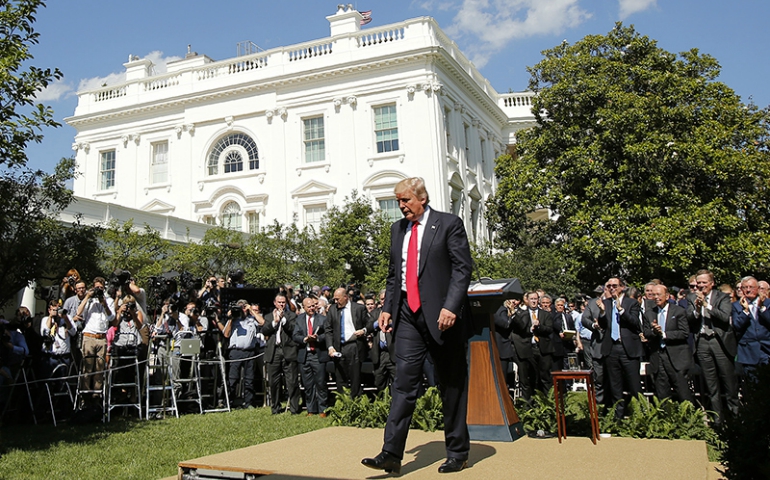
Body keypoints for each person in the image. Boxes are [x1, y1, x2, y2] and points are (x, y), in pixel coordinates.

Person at [362, 177, 473, 475]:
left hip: (442, 317)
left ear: (422, 198)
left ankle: (457, 452)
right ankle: (391, 453)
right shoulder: (397, 230)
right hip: (408, 316)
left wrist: (451, 306)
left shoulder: (449, 224)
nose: (401, 206)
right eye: (398, 201)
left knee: (451, 384)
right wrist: (387, 309)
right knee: (403, 383)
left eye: (406, 200)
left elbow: (463, 269)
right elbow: (393, 274)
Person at [686, 269, 738, 422]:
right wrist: (697, 308)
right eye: (698, 283)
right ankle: (717, 420)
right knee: (711, 384)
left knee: (728, 382)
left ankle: (735, 418)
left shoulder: (722, 297)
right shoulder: (691, 298)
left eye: (704, 283)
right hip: (702, 342)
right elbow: (689, 319)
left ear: (712, 283)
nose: (701, 286)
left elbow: (724, 316)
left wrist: (707, 306)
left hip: (719, 341)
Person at [597, 277, 643, 418]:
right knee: (615, 385)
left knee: (634, 384)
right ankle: (618, 416)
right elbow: (603, 326)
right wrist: (603, 313)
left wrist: (621, 310)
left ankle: (640, 415)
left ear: (622, 287)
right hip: (612, 348)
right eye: (609, 286)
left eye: (614, 285)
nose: (611, 288)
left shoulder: (632, 303)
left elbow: (635, 323)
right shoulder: (605, 303)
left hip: (627, 348)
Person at [644, 284, 692, 402]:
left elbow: (684, 333)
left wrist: (664, 334)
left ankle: (689, 418)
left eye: (659, 294)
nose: (656, 297)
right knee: (662, 393)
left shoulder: (679, 311)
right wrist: (654, 332)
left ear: (667, 296)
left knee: (683, 392)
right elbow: (646, 333)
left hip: (676, 358)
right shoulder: (649, 314)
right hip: (658, 357)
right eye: (653, 295)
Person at [75, 277, 115, 407]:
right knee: (87, 369)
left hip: (102, 337)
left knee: (99, 370)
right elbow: (79, 312)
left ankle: (96, 397)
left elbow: (112, 317)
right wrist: (88, 297)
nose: (99, 290)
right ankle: (85, 398)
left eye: (101, 288)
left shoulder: (108, 300)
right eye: (97, 288)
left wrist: (103, 302)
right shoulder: (89, 300)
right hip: (89, 336)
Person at [325, 287, 370, 398]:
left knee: (355, 378)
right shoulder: (333, 310)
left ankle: (356, 403)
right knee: (340, 378)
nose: (335, 302)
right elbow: (328, 329)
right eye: (334, 299)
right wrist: (330, 347)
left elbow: (369, 324)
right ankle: (342, 403)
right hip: (338, 348)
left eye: (337, 299)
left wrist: (364, 331)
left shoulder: (359, 308)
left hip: (354, 346)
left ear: (345, 297)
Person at [262, 293, 300, 414]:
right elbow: (264, 330)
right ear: (275, 303)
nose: (281, 304)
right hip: (274, 351)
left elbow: (293, 329)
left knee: (292, 380)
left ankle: (294, 408)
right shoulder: (268, 316)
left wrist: (283, 320)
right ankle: (275, 407)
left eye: (283, 302)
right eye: (279, 302)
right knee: (274, 382)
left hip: (288, 351)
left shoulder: (292, 316)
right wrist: (275, 321)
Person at [512, 291, 554, 399]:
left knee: (545, 377)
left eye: (536, 299)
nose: (534, 301)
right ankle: (531, 403)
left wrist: (539, 327)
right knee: (531, 377)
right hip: (529, 349)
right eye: (531, 299)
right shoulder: (523, 314)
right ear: (527, 300)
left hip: (543, 349)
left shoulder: (545, 314)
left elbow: (550, 329)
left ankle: (548, 403)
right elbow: (522, 329)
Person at [292, 296, 329, 416]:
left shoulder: (322, 319)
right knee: (308, 384)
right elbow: (295, 335)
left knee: (321, 383)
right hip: (305, 354)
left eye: (313, 305)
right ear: (304, 308)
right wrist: (305, 339)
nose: (312, 308)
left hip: (318, 355)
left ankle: (323, 409)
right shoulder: (299, 319)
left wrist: (317, 338)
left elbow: (327, 335)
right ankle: (311, 409)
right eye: (309, 306)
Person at [223, 299, 261, 409]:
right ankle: (229, 402)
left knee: (249, 379)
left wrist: (251, 311)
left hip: (250, 351)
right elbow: (226, 334)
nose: (242, 310)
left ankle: (249, 403)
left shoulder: (251, 319)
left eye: (243, 307)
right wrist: (231, 318)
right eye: (240, 308)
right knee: (233, 378)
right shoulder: (234, 320)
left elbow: (262, 322)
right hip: (236, 352)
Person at [732, 276, 770, 382]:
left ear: (758, 288)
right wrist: (745, 311)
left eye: (751, 287)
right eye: (745, 287)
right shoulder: (736, 306)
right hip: (748, 352)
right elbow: (736, 326)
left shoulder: (768, 303)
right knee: (752, 385)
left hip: (766, 350)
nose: (748, 290)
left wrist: (762, 308)